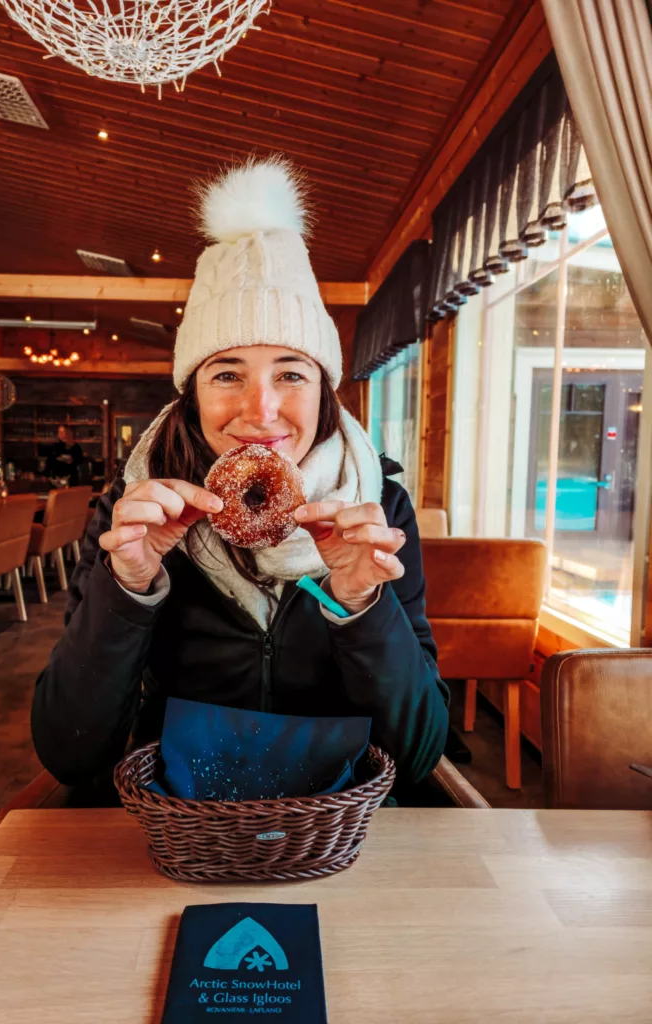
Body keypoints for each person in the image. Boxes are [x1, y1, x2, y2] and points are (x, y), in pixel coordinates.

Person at [32, 158, 449, 799]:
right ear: (192, 392)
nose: (261, 410)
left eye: (291, 373)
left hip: (341, 825)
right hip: (178, 820)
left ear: (324, 393)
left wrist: (363, 607)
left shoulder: (377, 506)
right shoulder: (133, 511)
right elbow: (70, 751)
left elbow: (418, 754)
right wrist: (129, 590)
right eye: (227, 374)